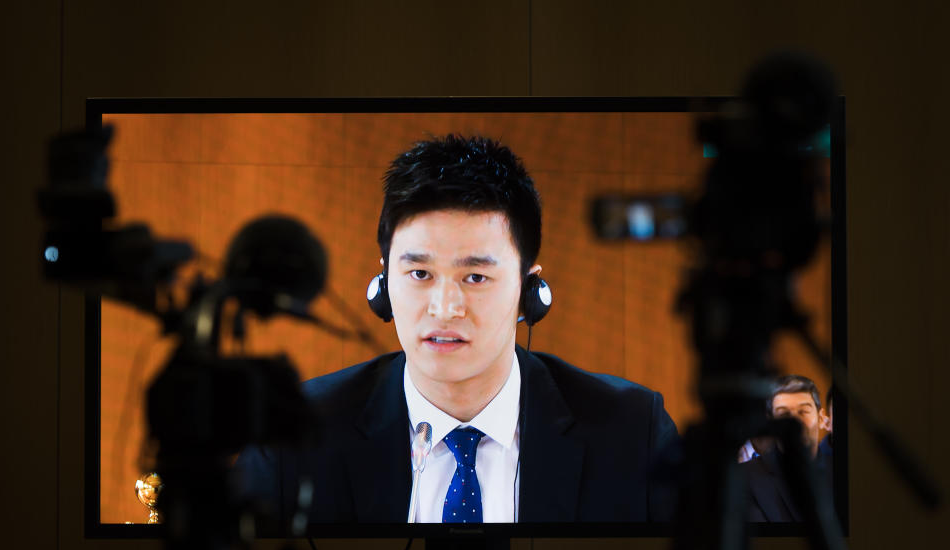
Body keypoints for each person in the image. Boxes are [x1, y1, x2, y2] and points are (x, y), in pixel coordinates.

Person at [235, 134, 680, 529]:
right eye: (420, 274)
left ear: (530, 288)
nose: (445, 309)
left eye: (475, 278)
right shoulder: (290, 436)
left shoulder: (632, 434)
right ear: (383, 282)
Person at [745, 374, 832, 522]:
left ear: (821, 418)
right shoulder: (747, 478)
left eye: (803, 411)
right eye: (784, 413)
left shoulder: (845, 471)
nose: (795, 423)